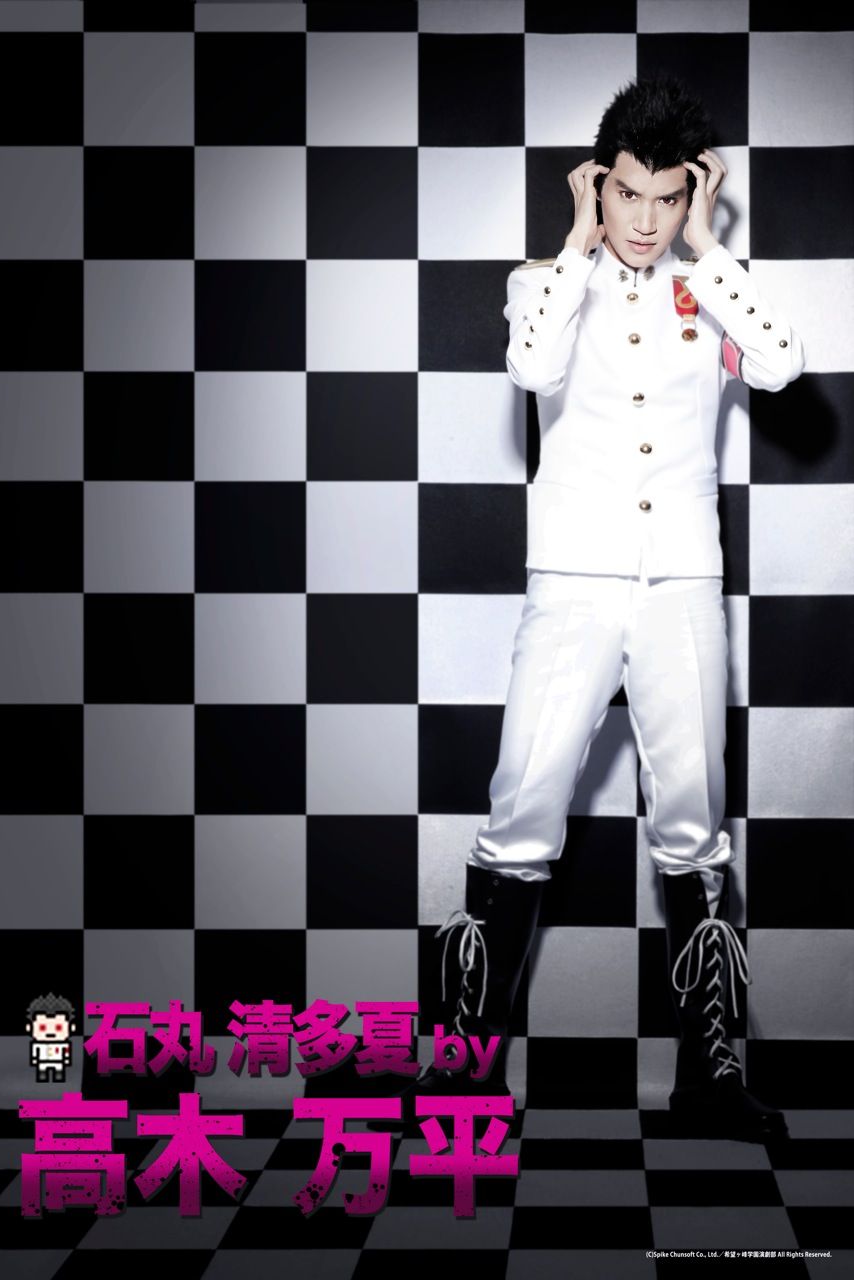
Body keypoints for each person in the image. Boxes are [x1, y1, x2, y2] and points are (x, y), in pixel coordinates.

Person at [380, 75, 805, 1142]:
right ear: (595, 185)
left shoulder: (710, 286)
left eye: (668, 198)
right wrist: (574, 243)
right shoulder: (546, 281)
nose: (645, 219)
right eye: (626, 194)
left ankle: (711, 1081)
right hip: (572, 582)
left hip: (682, 584)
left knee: (695, 825)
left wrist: (710, 250)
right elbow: (530, 365)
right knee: (522, 807)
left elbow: (783, 364)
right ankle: (463, 1074)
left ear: (691, 196)